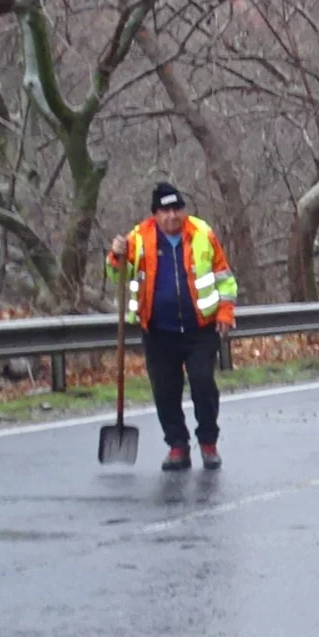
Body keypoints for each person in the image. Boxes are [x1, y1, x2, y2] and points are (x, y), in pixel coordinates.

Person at [107, 182, 238, 470]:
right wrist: (116, 254)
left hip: (200, 329)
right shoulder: (138, 238)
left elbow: (224, 276)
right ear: (155, 214)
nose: (172, 216)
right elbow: (117, 270)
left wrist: (225, 314)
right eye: (165, 211)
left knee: (203, 383)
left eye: (176, 209)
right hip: (158, 331)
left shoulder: (202, 234)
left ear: (184, 210)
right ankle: (177, 446)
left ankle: (208, 443)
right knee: (165, 390)